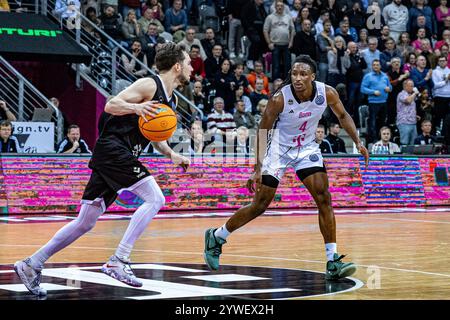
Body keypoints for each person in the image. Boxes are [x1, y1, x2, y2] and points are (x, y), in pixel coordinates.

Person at [14, 42, 192, 296]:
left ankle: (31, 264)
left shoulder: (170, 98)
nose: (191, 68)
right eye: (187, 63)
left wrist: (172, 154)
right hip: (114, 150)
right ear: (177, 66)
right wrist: (136, 107)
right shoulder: (150, 85)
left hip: (115, 155)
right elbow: (111, 104)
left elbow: (153, 133)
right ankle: (119, 260)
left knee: (85, 222)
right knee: (155, 198)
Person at [202, 55, 369, 280]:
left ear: (312, 76)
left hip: (307, 149)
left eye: (302, 74)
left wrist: (357, 141)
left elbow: (342, 115)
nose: (297, 78)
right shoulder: (279, 99)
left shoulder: (326, 92)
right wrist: (258, 167)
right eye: (294, 74)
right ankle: (217, 236)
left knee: (324, 198)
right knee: (260, 205)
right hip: (277, 150)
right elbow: (263, 131)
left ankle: (332, 261)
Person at [361, 59, 392, 143]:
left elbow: (390, 87)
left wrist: (388, 89)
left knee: (383, 122)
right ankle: (373, 140)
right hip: (373, 102)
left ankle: (382, 139)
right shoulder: (368, 76)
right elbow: (362, 89)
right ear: (372, 66)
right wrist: (373, 92)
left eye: (377, 65)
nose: (375, 66)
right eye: (374, 65)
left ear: (380, 66)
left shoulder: (385, 76)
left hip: (384, 102)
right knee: (373, 122)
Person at [263, 0, 295, 81]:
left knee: (287, 65)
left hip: (286, 44)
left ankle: (287, 81)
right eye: (278, 6)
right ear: (275, 7)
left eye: (281, 6)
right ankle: (275, 83)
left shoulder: (288, 17)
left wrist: (291, 42)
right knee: (276, 66)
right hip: (275, 44)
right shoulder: (270, 17)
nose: (280, 7)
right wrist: (269, 43)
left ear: (284, 7)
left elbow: (292, 30)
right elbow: (265, 30)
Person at [396, 79, 419, 146]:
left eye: (413, 86)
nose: (412, 88)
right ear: (405, 86)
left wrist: (415, 115)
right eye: (411, 86)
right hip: (404, 122)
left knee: (413, 143)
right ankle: (403, 155)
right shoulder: (401, 94)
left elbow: (410, 107)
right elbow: (408, 100)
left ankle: (412, 156)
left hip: (413, 122)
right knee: (404, 142)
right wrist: (415, 93)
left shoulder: (411, 95)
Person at [432, 55, 450, 132]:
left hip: (449, 96)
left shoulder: (449, 71)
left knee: (448, 117)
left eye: (444, 61)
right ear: (438, 62)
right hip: (439, 96)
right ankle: (438, 133)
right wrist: (446, 80)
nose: (442, 62)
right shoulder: (434, 72)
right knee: (439, 116)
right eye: (440, 61)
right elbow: (434, 85)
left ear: (446, 62)